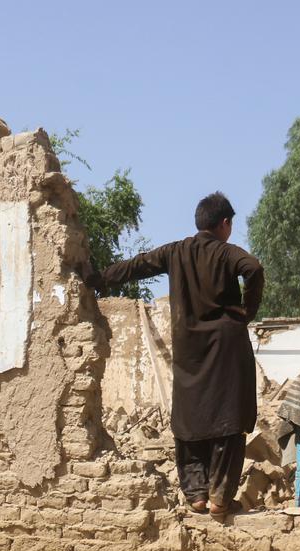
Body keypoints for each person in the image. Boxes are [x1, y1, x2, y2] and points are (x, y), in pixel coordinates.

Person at [85, 192, 264, 518]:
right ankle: (220, 499)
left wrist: (99, 278)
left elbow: (136, 266)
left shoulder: (176, 251)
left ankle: (195, 494)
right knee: (228, 419)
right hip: (226, 348)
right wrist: (245, 311)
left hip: (189, 351)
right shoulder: (226, 253)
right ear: (224, 224)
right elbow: (253, 267)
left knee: (189, 420)